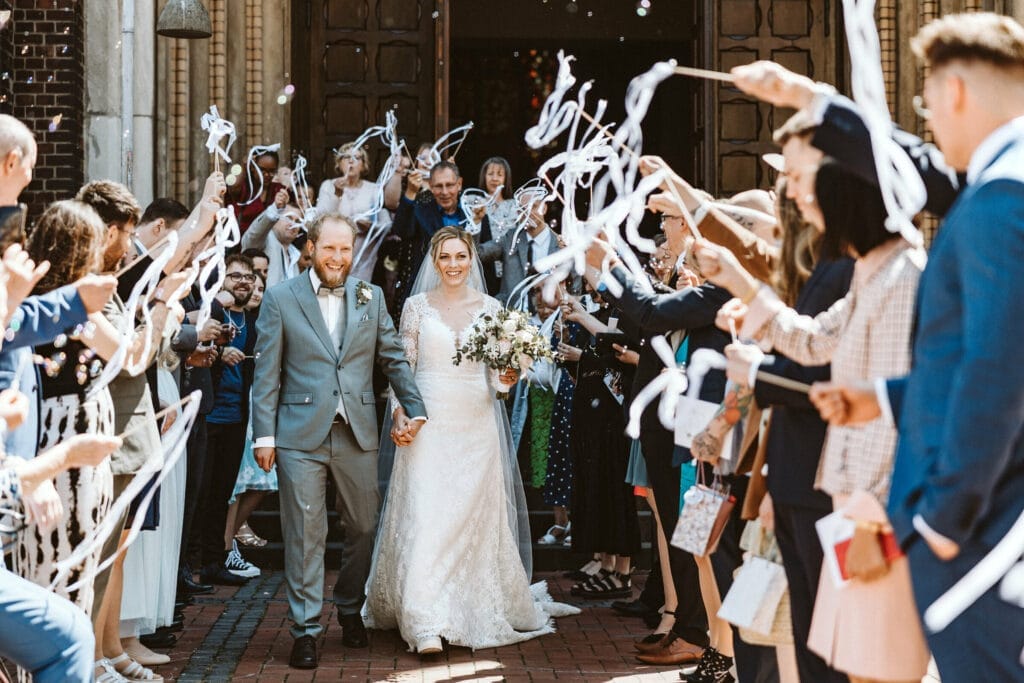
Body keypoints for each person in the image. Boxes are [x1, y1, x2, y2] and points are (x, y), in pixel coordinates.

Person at [808, 13, 1024, 681]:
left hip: (981, 530)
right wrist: (879, 399)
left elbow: (998, 372)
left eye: (927, 97)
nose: (926, 114)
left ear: (954, 91)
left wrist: (942, 522)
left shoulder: (998, 202)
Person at [701, 154, 929, 683]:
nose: (803, 204)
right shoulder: (874, 268)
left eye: (815, 194)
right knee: (836, 653)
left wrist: (872, 516)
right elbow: (808, 338)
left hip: (870, 503)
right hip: (845, 493)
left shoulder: (902, 274)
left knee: (871, 659)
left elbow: (889, 409)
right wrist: (735, 277)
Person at [362, 226, 578, 655]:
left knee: (469, 517)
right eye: (445, 257)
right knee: (426, 514)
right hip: (428, 422)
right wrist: (401, 414)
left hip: (476, 423)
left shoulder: (493, 307)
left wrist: (510, 375)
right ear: (434, 261)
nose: (454, 265)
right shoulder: (416, 307)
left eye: (461, 256)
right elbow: (403, 367)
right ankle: (424, 620)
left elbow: (499, 379)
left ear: (473, 259)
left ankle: (464, 608)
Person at [251, 213, 426, 669]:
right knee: (306, 533)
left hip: (357, 431)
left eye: (345, 249)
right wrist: (263, 436)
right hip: (297, 434)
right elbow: (266, 372)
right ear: (311, 248)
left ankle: (349, 607)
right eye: (329, 248)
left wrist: (417, 406)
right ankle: (306, 630)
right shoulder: (280, 297)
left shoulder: (370, 296)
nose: (337, 258)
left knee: (364, 528)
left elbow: (392, 357)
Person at [198, 254, 260, 586]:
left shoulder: (256, 321)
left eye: (247, 277)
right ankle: (191, 564)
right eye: (234, 276)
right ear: (222, 281)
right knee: (202, 492)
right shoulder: (210, 313)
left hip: (237, 417)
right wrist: (220, 353)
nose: (242, 282)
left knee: (223, 492)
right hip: (208, 414)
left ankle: (213, 561)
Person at [392, 160, 498, 313]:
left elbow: (484, 252)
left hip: (469, 293)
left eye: (449, 185)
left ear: (459, 184)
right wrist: (410, 192)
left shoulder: (474, 212)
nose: (445, 192)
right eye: (438, 186)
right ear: (431, 186)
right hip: (429, 292)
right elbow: (401, 231)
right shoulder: (421, 210)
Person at [226, 273, 277, 550]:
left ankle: (232, 534)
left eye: (261, 288)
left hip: (258, 399)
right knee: (239, 480)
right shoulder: (236, 320)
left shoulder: (264, 320)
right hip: (243, 401)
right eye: (253, 287)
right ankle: (228, 540)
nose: (257, 293)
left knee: (262, 479)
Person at [315, 142, 394, 281]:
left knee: (359, 295)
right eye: (346, 157)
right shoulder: (328, 186)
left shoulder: (373, 189)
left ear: (364, 165)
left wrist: (371, 227)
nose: (351, 161)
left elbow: (385, 223)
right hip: (335, 251)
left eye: (357, 158)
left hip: (365, 254)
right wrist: (337, 195)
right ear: (338, 164)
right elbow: (321, 218)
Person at [478, 190, 560, 305]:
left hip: (550, 316)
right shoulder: (510, 238)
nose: (529, 213)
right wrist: (476, 224)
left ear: (544, 208)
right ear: (518, 213)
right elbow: (479, 254)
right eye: (523, 209)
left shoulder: (560, 244)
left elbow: (574, 288)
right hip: (512, 314)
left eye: (534, 206)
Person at [240, 189, 304, 288]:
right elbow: (254, 234)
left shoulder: (295, 255)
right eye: (288, 218)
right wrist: (276, 208)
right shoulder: (264, 239)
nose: (293, 224)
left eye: (297, 221)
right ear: (276, 219)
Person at [478, 156, 517, 241]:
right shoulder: (477, 203)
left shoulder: (514, 205)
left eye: (500, 175)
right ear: (484, 176)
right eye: (490, 174)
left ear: (506, 178)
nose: (494, 179)